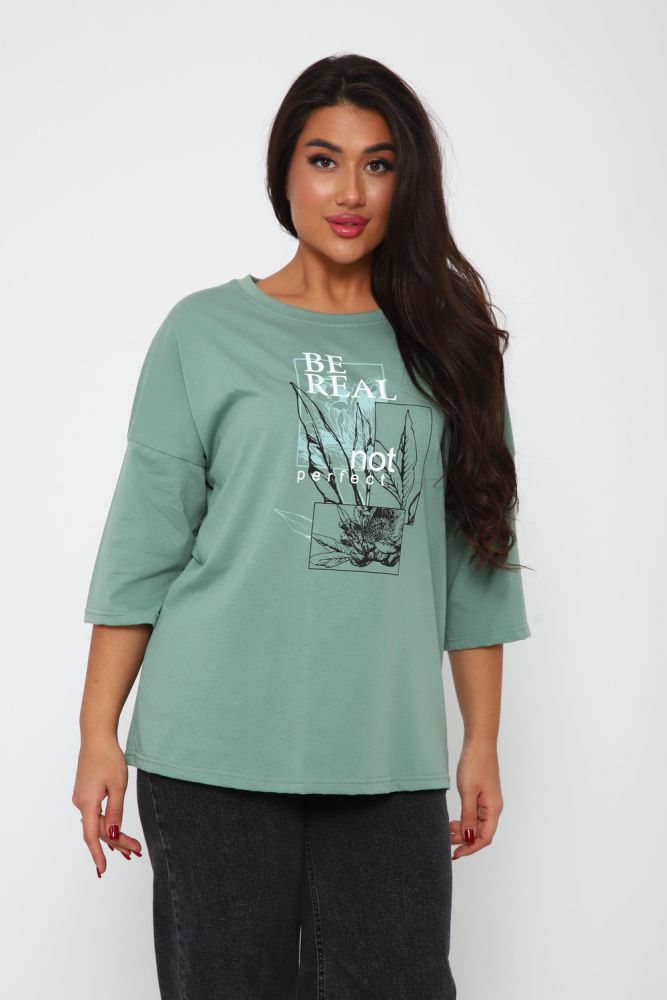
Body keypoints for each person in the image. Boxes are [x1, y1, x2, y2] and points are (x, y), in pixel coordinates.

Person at [72, 52, 532, 1000]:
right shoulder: (203, 332)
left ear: (408, 180)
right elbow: (144, 546)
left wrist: (480, 740)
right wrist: (96, 731)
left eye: (378, 163)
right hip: (211, 750)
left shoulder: (452, 346)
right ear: (283, 171)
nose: (349, 191)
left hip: (387, 754)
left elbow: (476, 555)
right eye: (324, 160)